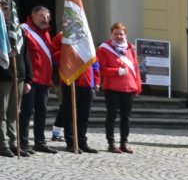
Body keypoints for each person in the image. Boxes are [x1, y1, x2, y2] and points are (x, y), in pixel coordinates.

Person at [51, 30, 100, 153]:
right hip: (70, 80)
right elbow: (54, 56)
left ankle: (82, 141)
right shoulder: (61, 37)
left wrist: (96, 80)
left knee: (84, 115)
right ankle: (71, 142)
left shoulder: (86, 36)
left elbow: (94, 60)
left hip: (87, 81)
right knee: (70, 114)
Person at [97, 22, 141, 154]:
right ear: (111, 34)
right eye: (115, 34)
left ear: (125, 34)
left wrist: (138, 85)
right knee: (111, 116)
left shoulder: (130, 48)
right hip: (112, 88)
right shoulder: (104, 49)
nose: (118, 36)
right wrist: (117, 71)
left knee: (126, 117)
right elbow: (102, 69)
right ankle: (111, 143)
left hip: (128, 87)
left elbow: (136, 68)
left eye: (121, 34)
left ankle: (124, 143)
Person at [18, 5, 55, 154]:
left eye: (47, 16)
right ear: (32, 16)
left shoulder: (46, 34)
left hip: (44, 80)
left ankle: (39, 142)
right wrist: (26, 78)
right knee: (26, 112)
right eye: (41, 16)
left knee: (42, 111)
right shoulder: (24, 30)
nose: (45, 19)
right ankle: (23, 142)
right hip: (31, 79)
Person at [0, 0, 31, 158]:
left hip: (18, 76)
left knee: (14, 112)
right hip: (3, 77)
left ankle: (14, 143)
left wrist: (28, 79)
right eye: (3, 8)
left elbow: (26, 57)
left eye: (8, 9)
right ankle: (2, 143)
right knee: (1, 113)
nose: (6, 12)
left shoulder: (19, 30)